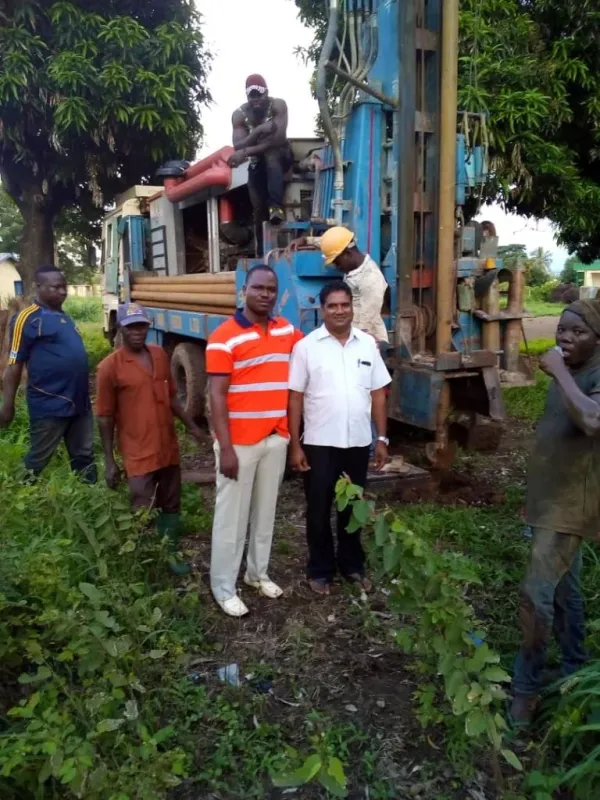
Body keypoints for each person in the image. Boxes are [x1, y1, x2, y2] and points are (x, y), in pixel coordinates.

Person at [511, 299, 600, 726]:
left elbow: (592, 421)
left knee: (536, 598)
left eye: (577, 332)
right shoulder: (567, 368)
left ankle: (526, 690)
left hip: (570, 505)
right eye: (561, 329)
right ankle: (574, 667)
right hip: (548, 500)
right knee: (567, 594)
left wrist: (560, 372)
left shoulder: (586, 373)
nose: (564, 337)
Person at [206, 265, 303, 617]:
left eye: (271, 289)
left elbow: (311, 355)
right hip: (239, 444)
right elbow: (216, 395)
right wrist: (226, 447)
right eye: (259, 287)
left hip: (274, 438)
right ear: (244, 290)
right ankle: (223, 587)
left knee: (265, 513)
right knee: (231, 519)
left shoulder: (287, 330)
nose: (265, 294)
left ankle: (256, 573)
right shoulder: (224, 336)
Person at [288, 281, 391, 596]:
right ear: (322, 310)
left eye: (344, 304)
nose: (339, 311)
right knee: (318, 509)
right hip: (319, 444)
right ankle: (320, 569)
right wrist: (295, 445)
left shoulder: (367, 346)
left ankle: (352, 565)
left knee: (352, 508)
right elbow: (294, 398)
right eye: (332, 306)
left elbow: (378, 394)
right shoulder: (306, 347)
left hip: (358, 444)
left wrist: (382, 438)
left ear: (352, 307)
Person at [95, 303, 204, 575]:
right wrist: (109, 461)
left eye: (141, 325)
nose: (137, 332)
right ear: (121, 328)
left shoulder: (158, 355)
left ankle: (170, 552)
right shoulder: (109, 367)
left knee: (171, 501)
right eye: (131, 326)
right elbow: (105, 416)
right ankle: (143, 560)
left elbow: (171, 398)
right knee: (142, 505)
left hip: (166, 445)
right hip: (137, 449)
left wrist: (192, 426)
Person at [0, 265, 96, 482]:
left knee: (84, 456)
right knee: (38, 459)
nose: (62, 292)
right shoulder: (27, 318)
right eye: (55, 287)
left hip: (78, 402)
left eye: (64, 287)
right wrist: (7, 406)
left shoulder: (64, 317)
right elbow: (14, 364)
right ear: (38, 287)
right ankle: (19, 497)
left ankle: (91, 501)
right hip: (50, 402)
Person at [228, 74, 293, 255]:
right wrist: (260, 130)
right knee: (257, 207)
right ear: (247, 97)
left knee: (271, 153)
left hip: (282, 157)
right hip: (258, 165)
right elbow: (238, 145)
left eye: (260, 95)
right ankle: (262, 251)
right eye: (252, 96)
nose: (256, 99)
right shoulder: (240, 115)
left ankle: (276, 206)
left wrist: (248, 149)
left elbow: (278, 139)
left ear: (267, 93)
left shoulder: (278, 105)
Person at [320, 226, 389, 344]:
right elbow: (332, 242)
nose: (337, 266)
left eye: (337, 261)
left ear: (347, 253)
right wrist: (306, 240)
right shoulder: (354, 268)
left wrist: (350, 344)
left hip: (369, 342)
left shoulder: (370, 277)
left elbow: (367, 321)